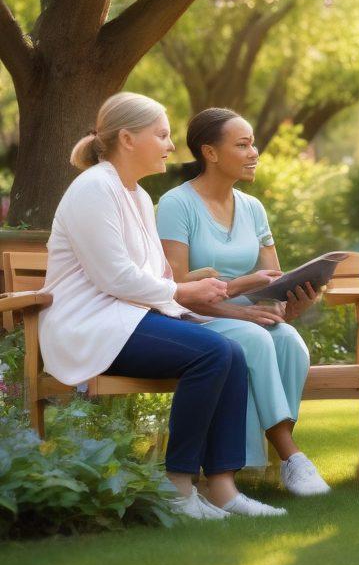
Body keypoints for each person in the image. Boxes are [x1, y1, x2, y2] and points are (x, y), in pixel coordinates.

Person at [39, 92, 285, 519]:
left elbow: (157, 275)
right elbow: (114, 277)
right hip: (91, 325)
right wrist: (183, 294)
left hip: (128, 316)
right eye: (163, 135)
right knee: (213, 353)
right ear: (128, 139)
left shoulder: (133, 194)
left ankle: (223, 489)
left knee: (231, 350)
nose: (172, 146)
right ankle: (178, 488)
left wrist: (200, 285)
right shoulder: (94, 189)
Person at [157, 108, 330, 497]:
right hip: (191, 321)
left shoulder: (253, 209)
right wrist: (242, 295)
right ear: (210, 152)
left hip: (245, 316)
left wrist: (293, 301)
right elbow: (178, 287)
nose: (254, 153)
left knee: (290, 343)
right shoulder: (175, 204)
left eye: (253, 144)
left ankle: (252, 464)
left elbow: (276, 282)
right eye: (243, 144)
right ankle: (291, 457)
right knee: (252, 338)